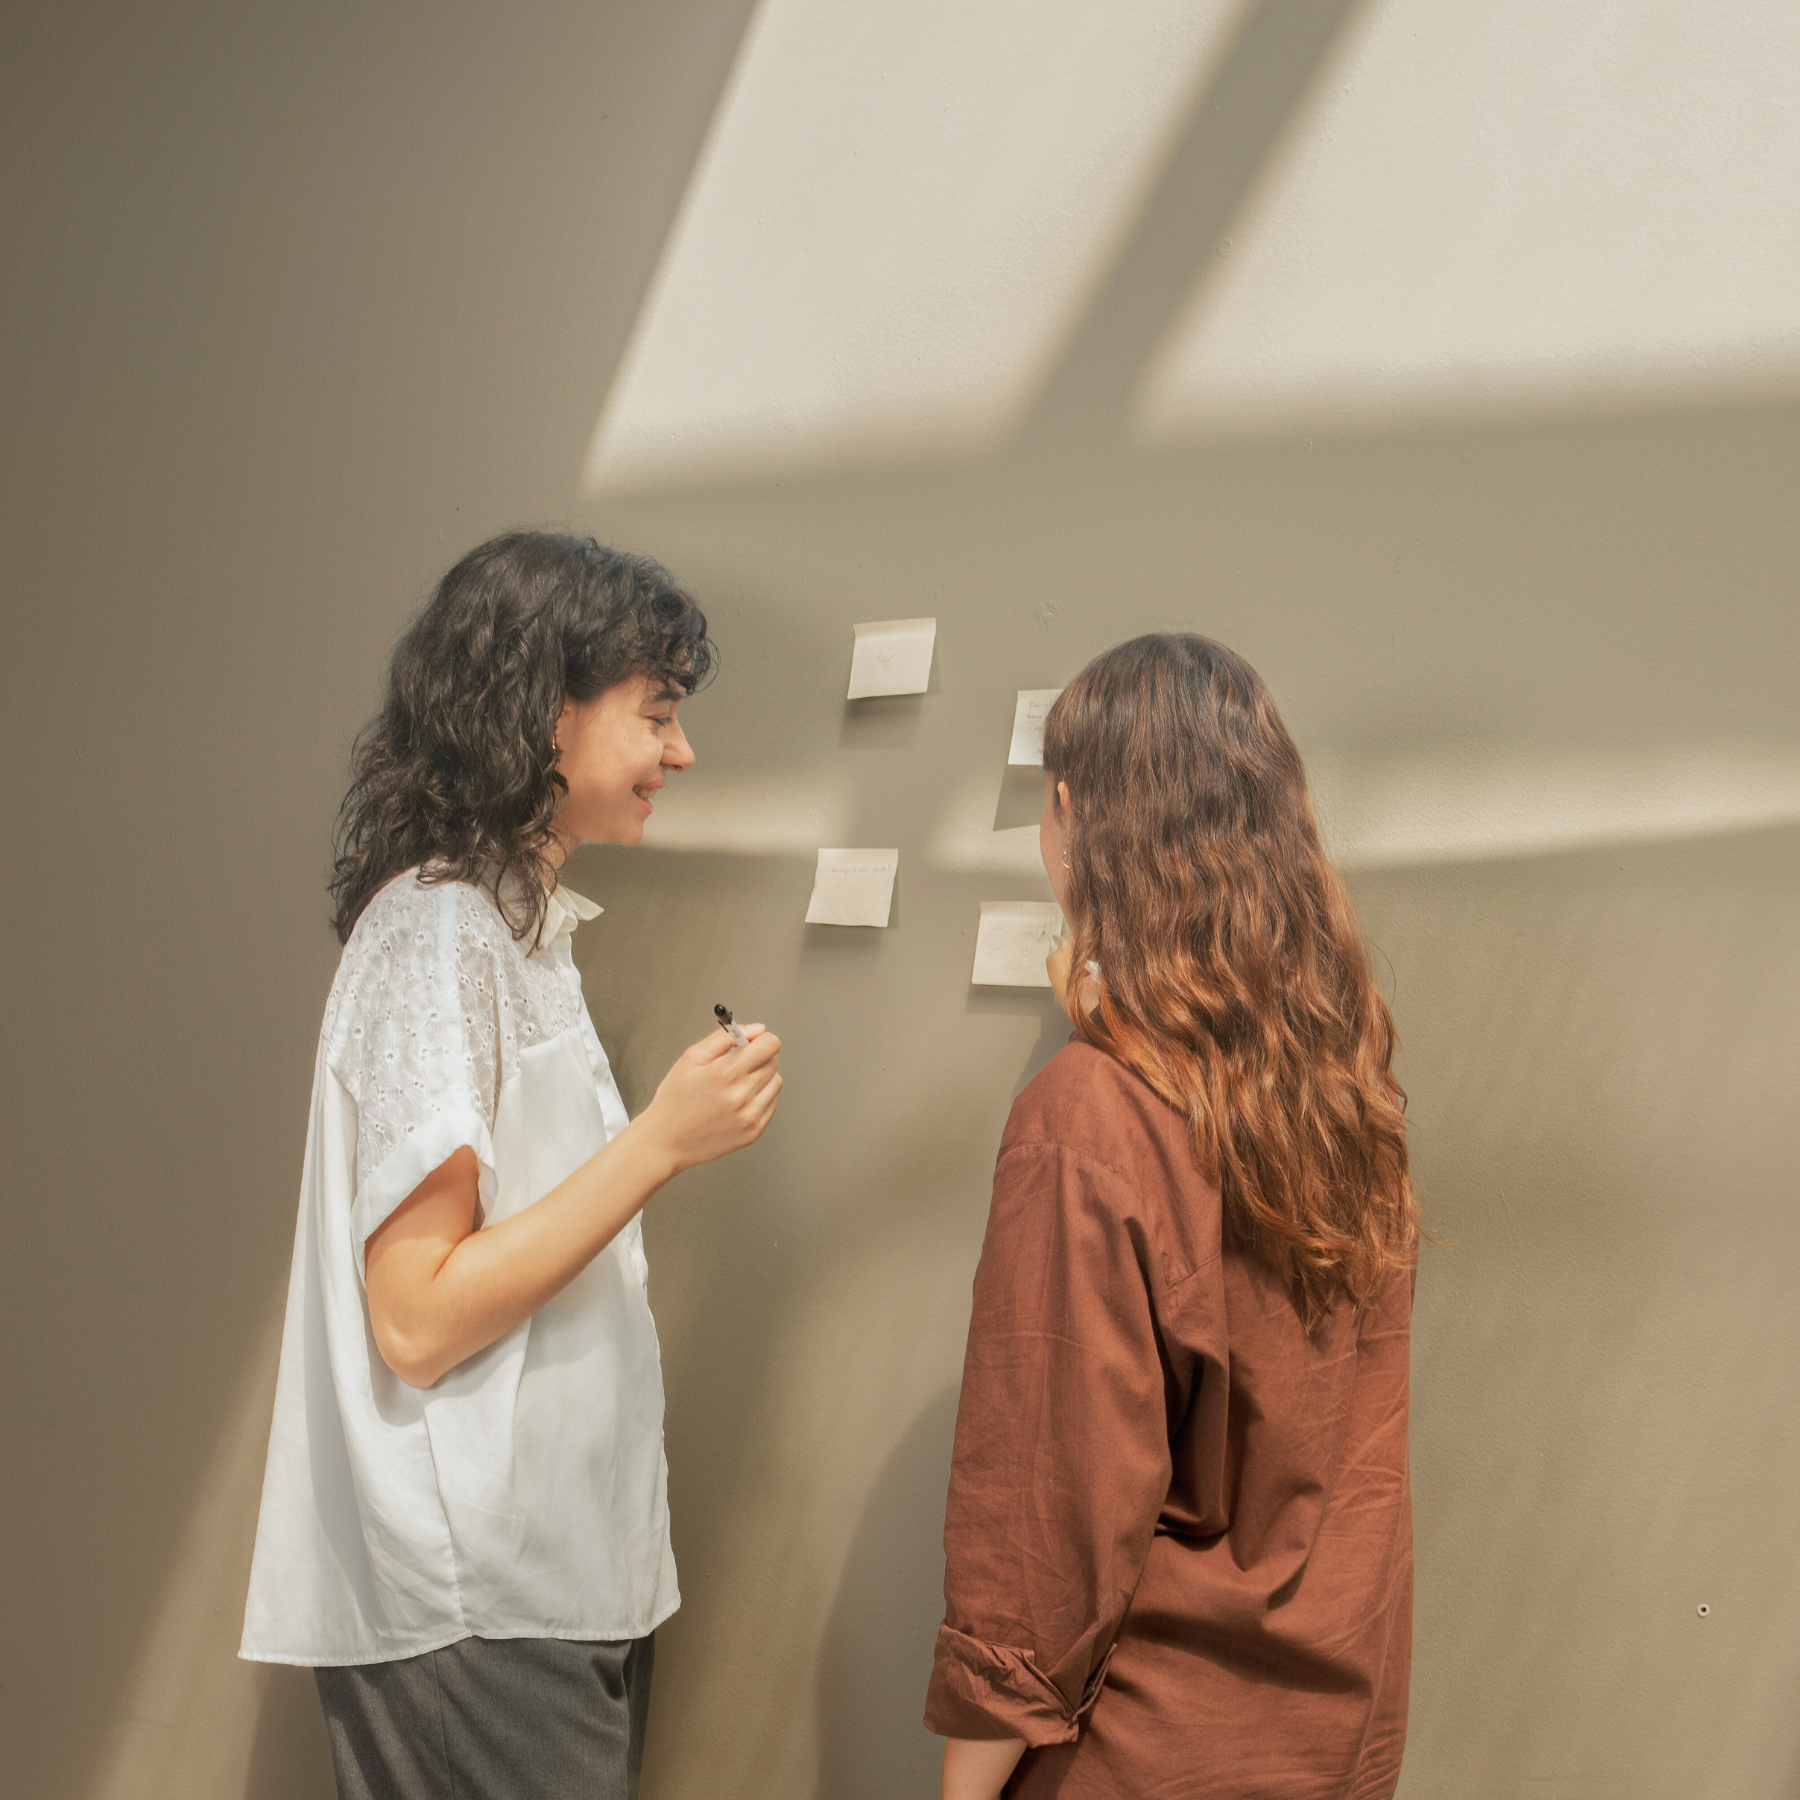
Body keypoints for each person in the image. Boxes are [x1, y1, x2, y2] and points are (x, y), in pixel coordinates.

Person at [241, 531, 782, 1800]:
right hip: (477, 1603)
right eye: (657, 715)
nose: (680, 754)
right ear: (547, 716)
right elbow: (417, 1317)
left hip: (548, 1583)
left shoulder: (508, 929)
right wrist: (660, 1143)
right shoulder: (439, 934)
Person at [926, 634, 1418, 1800]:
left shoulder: (1084, 1119)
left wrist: (960, 1791)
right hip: (1328, 1744)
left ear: (1068, 814)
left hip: (1142, 1757)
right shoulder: (1354, 1093)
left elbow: (1047, 1531)